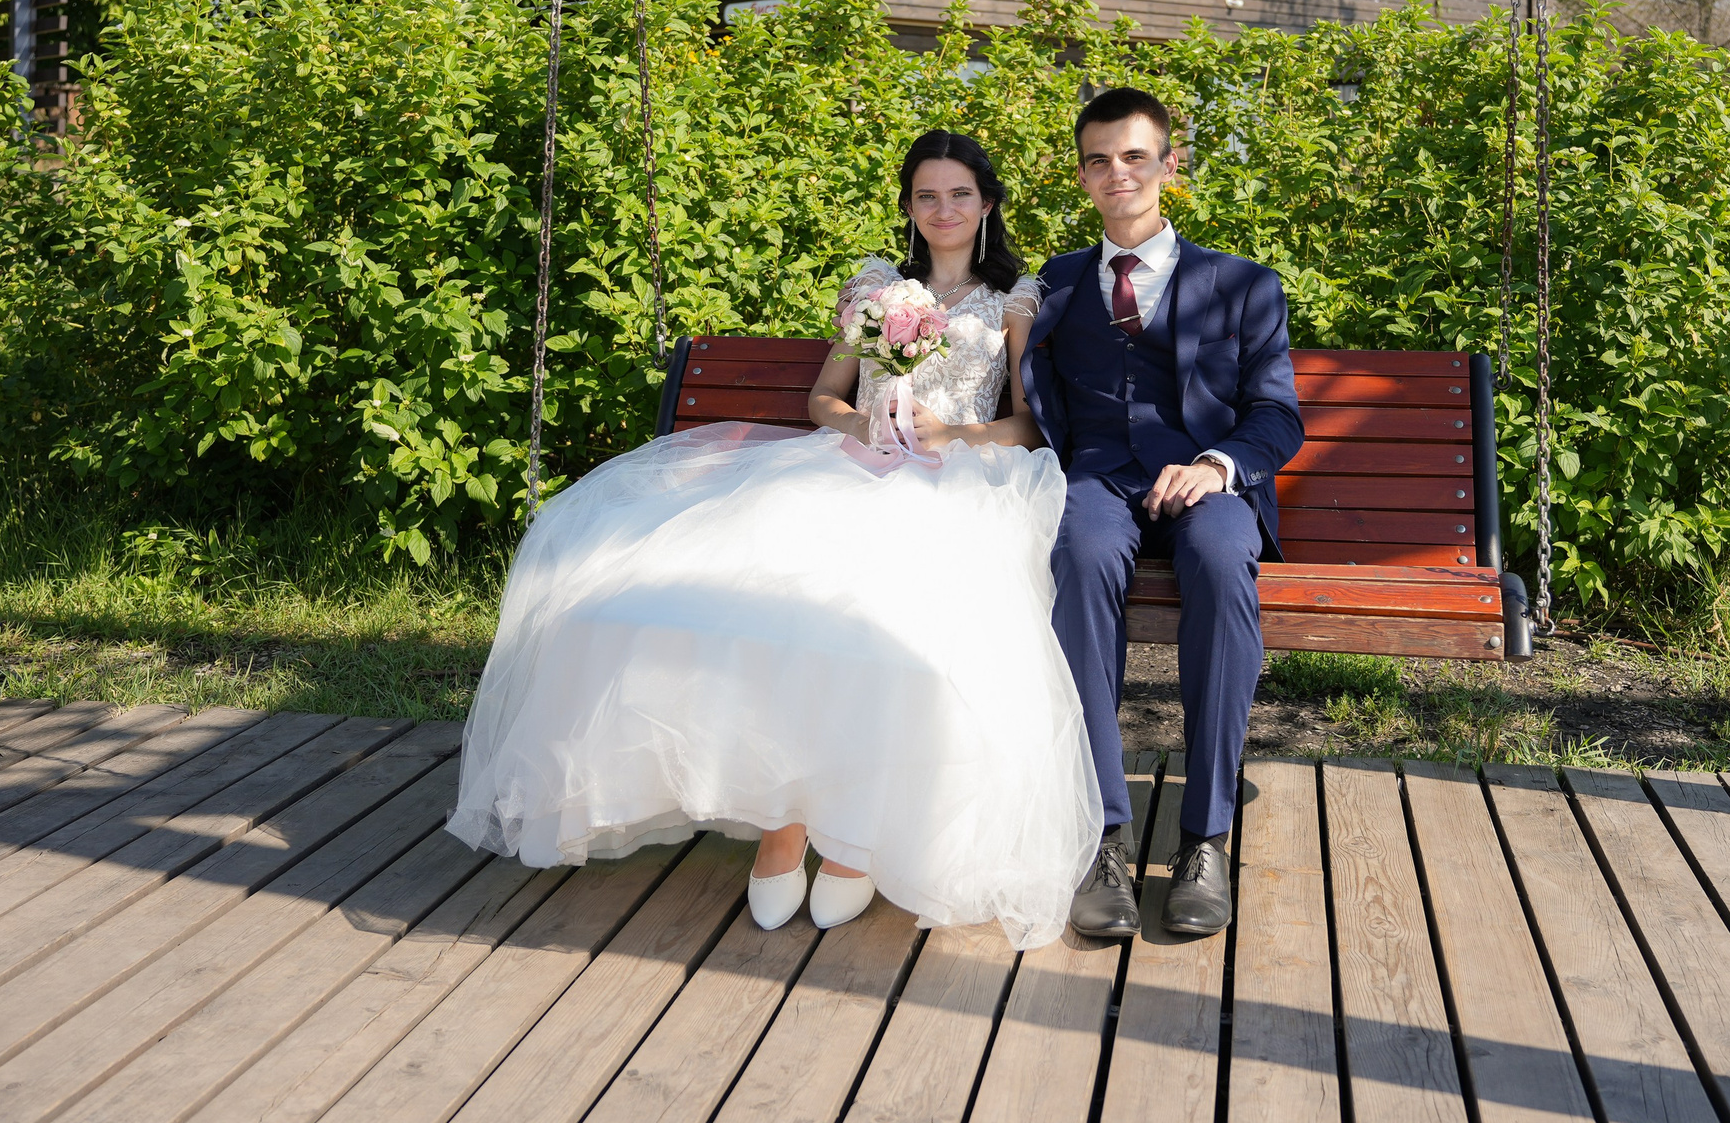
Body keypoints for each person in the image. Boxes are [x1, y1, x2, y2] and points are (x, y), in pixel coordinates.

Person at [447, 131, 1100, 950]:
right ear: (907, 206)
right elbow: (822, 399)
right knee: (768, 599)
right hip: (853, 464)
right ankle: (785, 818)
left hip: (959, 479)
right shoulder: (876, 286)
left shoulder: (1015, 299)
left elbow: (1030, 425)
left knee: (899, 615)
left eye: (961, 195)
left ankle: (857, 833)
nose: (945, 211)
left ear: (988, 204)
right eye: (927, 196)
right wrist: (865, 420)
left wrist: (953, 434)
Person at [1021, 88, 1304, 940]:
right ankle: (1100, 832)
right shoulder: (1057, 283)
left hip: (1207, 486)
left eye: (1135, 155)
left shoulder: (1245, 285)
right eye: (1099, 159)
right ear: (1082, 175)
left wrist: (1218, 466)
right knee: (1074, 550)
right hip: (1100, 478)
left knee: (1222, 563)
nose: (1118, 172)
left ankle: (1206, 836)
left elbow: (1278, 415)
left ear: (1170, 165)